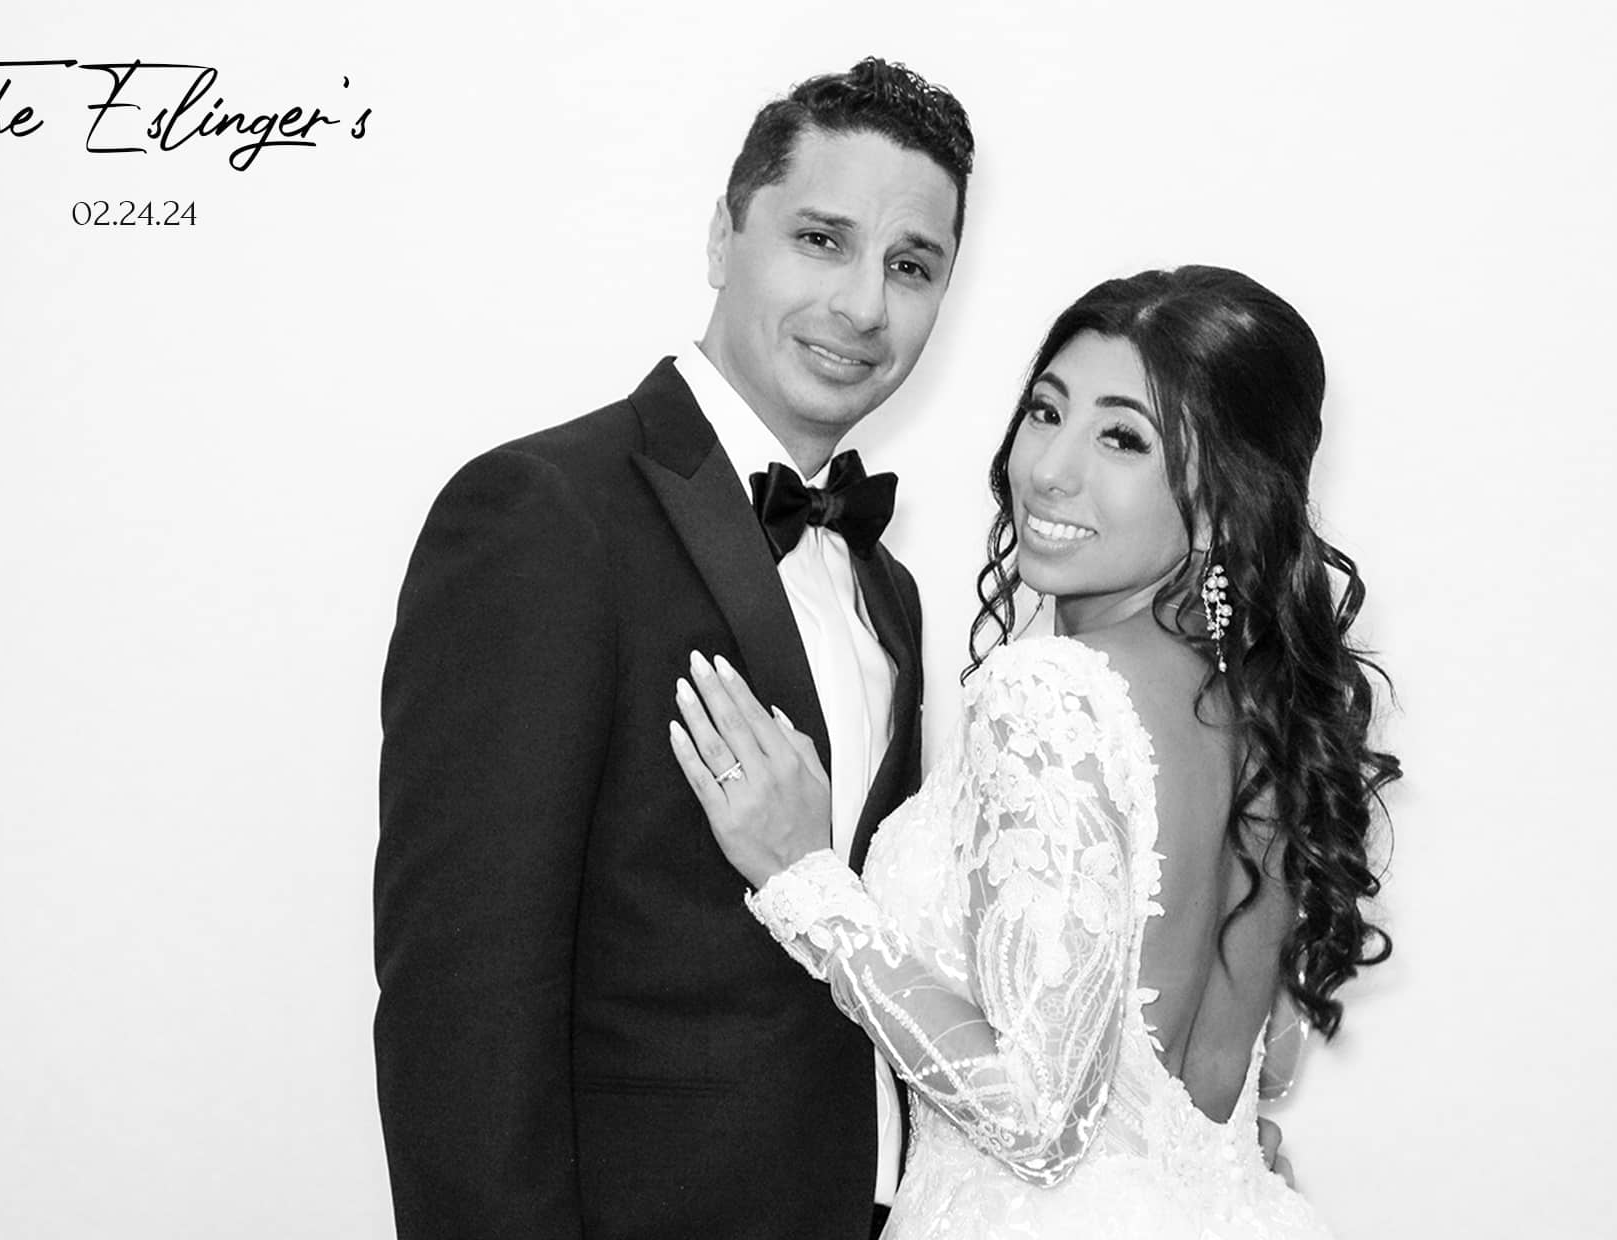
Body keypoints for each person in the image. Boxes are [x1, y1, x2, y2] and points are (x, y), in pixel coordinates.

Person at [374, 59, 974, 1239]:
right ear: (720, 237)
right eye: (820, 239)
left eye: (911, 266)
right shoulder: (545, 513)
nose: (864, 305)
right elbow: (461, 998)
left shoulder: (886, 590)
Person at [672, 266, 1399, 1237]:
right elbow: (1257, 1072)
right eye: (1047, 412)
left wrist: (807, 884)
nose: (1050, 468)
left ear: (1224, 499)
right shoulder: (1272, 718)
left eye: (1122, 438)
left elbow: (1038, 1120)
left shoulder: (1051, 694)